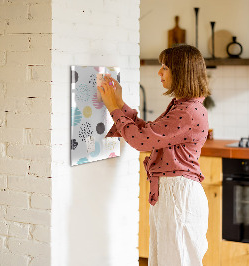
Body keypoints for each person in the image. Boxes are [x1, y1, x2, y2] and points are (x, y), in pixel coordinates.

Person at [98, 44, 210, 266]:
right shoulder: (183, 106)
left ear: (181, 72)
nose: (160, 73)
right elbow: (149, 133)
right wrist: (119, 104)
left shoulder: (187, 111)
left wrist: (113, 108)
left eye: (165, 67)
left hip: (178, 197)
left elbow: (141, 141)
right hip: (173, 195)